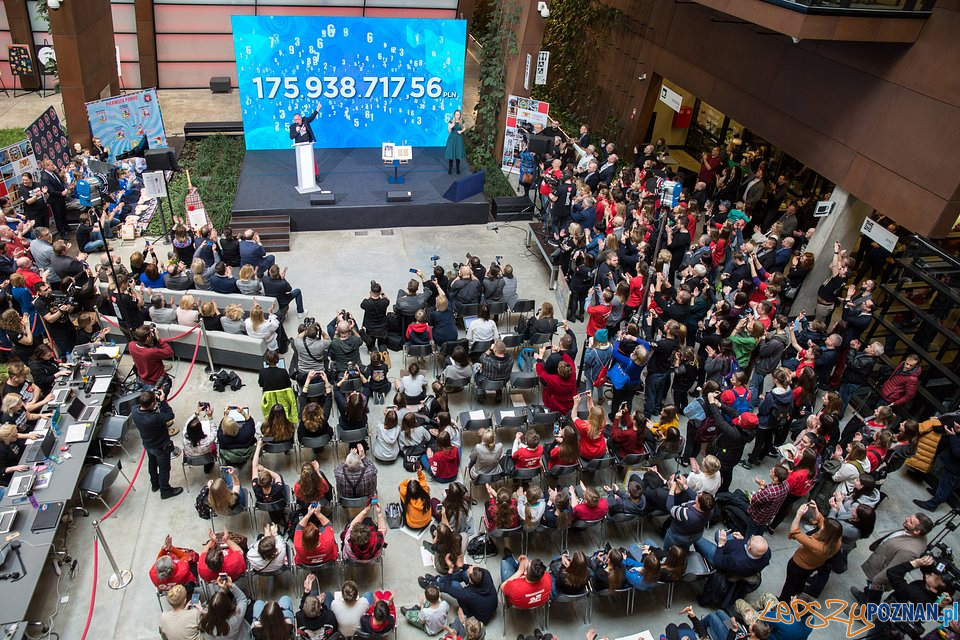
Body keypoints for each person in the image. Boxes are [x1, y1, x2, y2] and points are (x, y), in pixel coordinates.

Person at [854, 512, 934, 604]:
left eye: (910, 521)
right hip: (881, 565)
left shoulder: (909, 552)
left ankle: (866, 613)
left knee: (874, 595)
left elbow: (892, 570)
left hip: (881, 577)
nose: (906, 519)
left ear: (917, 531)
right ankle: (865, 596)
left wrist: (876, 581)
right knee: (871, 590)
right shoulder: (913, 532)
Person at [780, 501, 843, 601]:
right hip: (812, 567)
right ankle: (796, 599)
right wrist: (815, 509)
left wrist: (798, 514)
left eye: (823, 528)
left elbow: (795, 532)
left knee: (789, 585)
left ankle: (782, 603)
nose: (821, 526)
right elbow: (822, 521)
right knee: (800, 583)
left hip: (798, 565)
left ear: (826, 533)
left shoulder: (818, 546)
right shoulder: (836, 540)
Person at [132, 389, 182, 498]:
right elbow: (170, 415)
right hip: (160, 446)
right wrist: (163, 401)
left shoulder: (134, 411)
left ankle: (155, 484)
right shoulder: (154, 418)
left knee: (152, 463)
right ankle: (165, 490)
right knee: (164, 469)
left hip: (148, 444)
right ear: (151, 404)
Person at [199, 574, 250, 639]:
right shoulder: (235, 618)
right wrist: (231, 585)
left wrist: (223, 589)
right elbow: (242, 599)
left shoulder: (205, 623)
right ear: (228, 606)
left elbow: (215, 606)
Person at [745, 465, 790, 536]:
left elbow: (754, 499)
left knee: (750, 533)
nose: (770, 471)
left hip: (758, 515)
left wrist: (761, 487)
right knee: (761, 528)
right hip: (769, 515)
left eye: (772, 471)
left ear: (776, 478)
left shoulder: (768, 492)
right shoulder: (786, 485)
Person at [129, 324, 174, 390]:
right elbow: (170, 352)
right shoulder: (151, 352)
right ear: (147, 338)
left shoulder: (131, 345)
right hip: (155, 382)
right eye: (151, 334)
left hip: (143, 377)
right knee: (161, 399)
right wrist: (159, 339)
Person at [445, 109, 467, 175]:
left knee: (458, 153)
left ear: (460, 115)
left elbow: (465, 128)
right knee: (451, 153)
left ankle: (458, 168)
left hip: (459, 139)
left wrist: (461, 131)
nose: (457, 116)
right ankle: (450, 168)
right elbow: (448, 131)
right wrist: (450, 127)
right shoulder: (451, 121)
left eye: (458, 114)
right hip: (452, 139)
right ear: (454, 115)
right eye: (456, 114)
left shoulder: (462, 121)